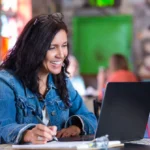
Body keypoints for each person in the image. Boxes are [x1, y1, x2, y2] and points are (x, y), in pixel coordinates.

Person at [0, 13, 97, 144]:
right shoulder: (6, 82)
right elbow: (3, 126)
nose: (61, 54)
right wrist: (27, 134)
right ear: (34, 49)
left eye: (64, 45)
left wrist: (76, 127)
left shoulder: (62, 82)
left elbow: (91, 119)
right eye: (52, 47)